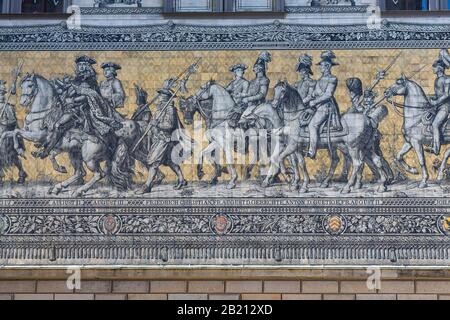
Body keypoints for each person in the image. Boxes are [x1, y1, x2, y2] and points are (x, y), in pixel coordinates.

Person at [33, 55, 122, 159]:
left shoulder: (90, 80)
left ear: (88, 67)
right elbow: (69, 91)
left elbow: (87, 96)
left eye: (83, 65)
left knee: (58, 125)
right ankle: (46, 142)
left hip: (80, 109)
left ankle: (46, 151)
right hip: (70, 106)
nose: (80, 67)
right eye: (79, 65)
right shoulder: (77, 79)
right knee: (50, 118)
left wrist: (73, 100)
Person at [137, 79, 187, 194]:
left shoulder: (169, 109)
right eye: (159, 94)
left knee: (153, 162)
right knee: (170, 161)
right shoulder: (160, 108)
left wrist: (157, 124)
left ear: (165, 97)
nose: (158, 96)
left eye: (161, 95)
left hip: (164, 138)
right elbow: (153, 121)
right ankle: (181, 179)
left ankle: (147, 186)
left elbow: (169, 125)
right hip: (157, 138)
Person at [304, 50, 342, 159]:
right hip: (317, 107)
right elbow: (313, 94)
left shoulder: (332, 79)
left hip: (326, 107)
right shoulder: (319, 80)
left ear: (328, 66)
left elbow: (328, 95)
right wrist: (303, 101)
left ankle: (312, 152)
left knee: (312, 125)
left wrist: (314, 102)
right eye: (321, 66)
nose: (320, 68)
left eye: (322, 66)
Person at [0, 80, 27, 184]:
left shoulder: (8, 107)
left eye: (2, 93)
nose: (1, 96)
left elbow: (12, 122)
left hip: (7, 135)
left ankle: (21, 172)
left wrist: (3, 122)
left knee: (12, 156)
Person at [430, 59, 450, 155]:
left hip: (445, 107)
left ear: (439, 68)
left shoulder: (447, 79)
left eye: (434, 67)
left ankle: (436, 149)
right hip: (438, 107)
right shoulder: (437, 79)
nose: (432, 69)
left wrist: (436, 101)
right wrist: (430, 98)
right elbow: (438, 94)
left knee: (435, 124)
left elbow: (446, 94)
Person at [225, 63, 249, 127]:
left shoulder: (245, 82)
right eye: (238, 70)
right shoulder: (232, 83)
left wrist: (238, 95)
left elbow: (245, 93)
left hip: (240, 103)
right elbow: (226, 90)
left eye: (241, 70)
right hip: (232, 102)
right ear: (235, 72)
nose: (240, 72)